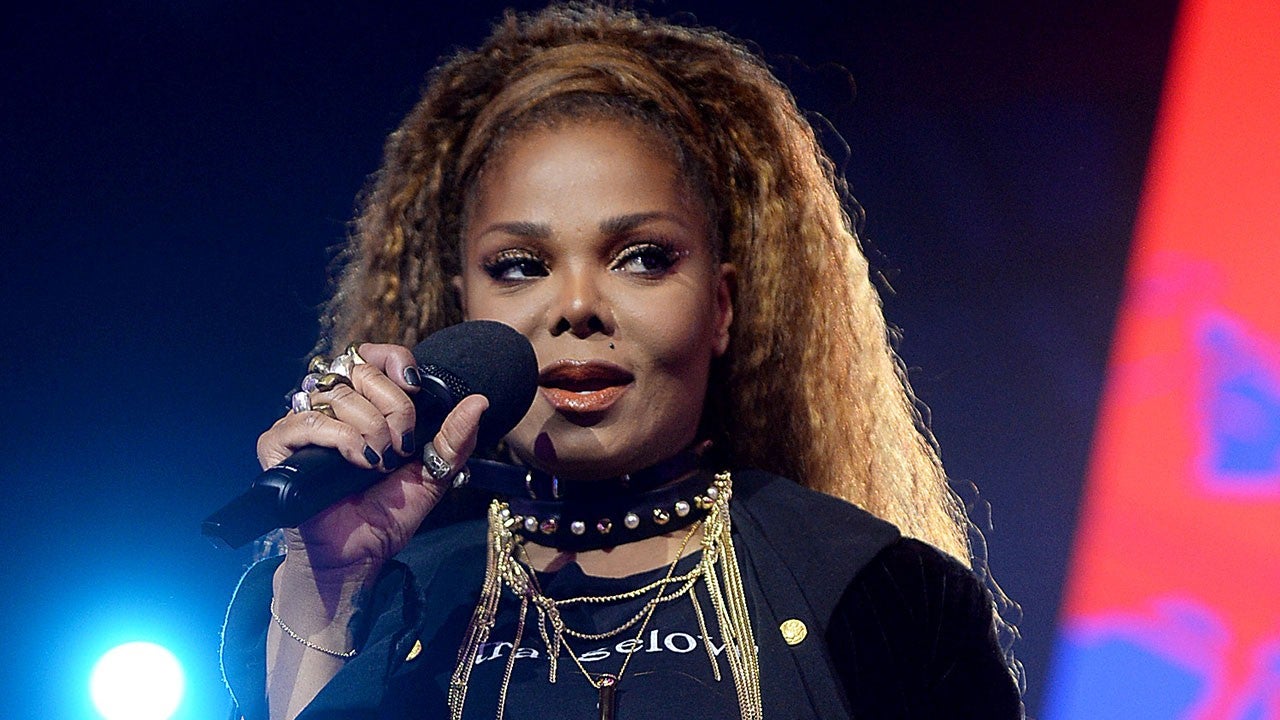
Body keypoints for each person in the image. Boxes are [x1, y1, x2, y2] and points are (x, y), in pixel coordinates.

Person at [220, 4, 1025, 719]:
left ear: (721, 306)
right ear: (464, 305)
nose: (578, 305)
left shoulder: (880, 595)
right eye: (520, 266)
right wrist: (330, 593)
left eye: (641, 257)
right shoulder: (379, 595)